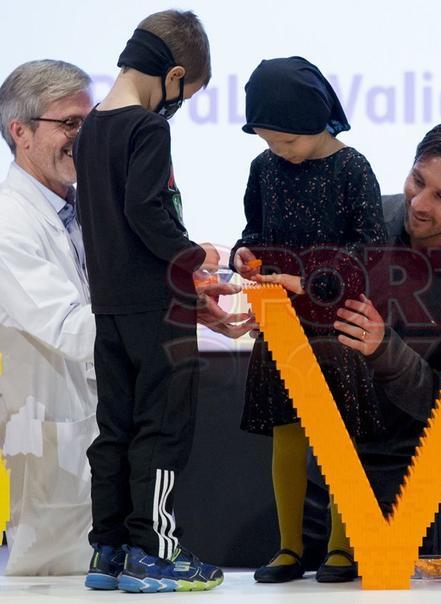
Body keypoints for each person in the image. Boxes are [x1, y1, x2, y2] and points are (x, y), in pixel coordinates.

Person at [74, 10, 251, 593]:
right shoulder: (148, 128)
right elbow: (147, 214)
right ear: (173, 74)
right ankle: (156, 552)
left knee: (115, 429)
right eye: (188, 93)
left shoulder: (93, 128)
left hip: (110, 309)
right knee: (163, 428)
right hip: (158, 310)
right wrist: (197, 255)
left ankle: (109, 551)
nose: (180, 105)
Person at [303, 119, 441, 571]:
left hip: (410, 493)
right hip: (321, 477)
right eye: (417, 181)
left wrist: (384, 348)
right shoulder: (362, 219)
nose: (417, 204)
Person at [231, 56, 387, 583]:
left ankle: (344, 546)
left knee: (337, 432)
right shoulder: (263, 170)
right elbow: (254, 231)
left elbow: (370, 251)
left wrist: (306, 283)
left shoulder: (353, 168)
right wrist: (243, 256)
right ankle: (290, 547)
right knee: (288, 433)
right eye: (269, 142)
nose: (279, 152)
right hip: (281, 323)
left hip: (337, 321)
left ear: (319, 121)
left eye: (288, 141)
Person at [0, 60, 94, 575]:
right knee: (55, 584)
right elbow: (71, 329)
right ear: (21, 132)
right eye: (69, 124)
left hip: (93, 446)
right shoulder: (9, 222)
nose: (82, 136)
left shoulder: (79, 206)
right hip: (51, 454)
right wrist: (168, 306)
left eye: (88, 121)